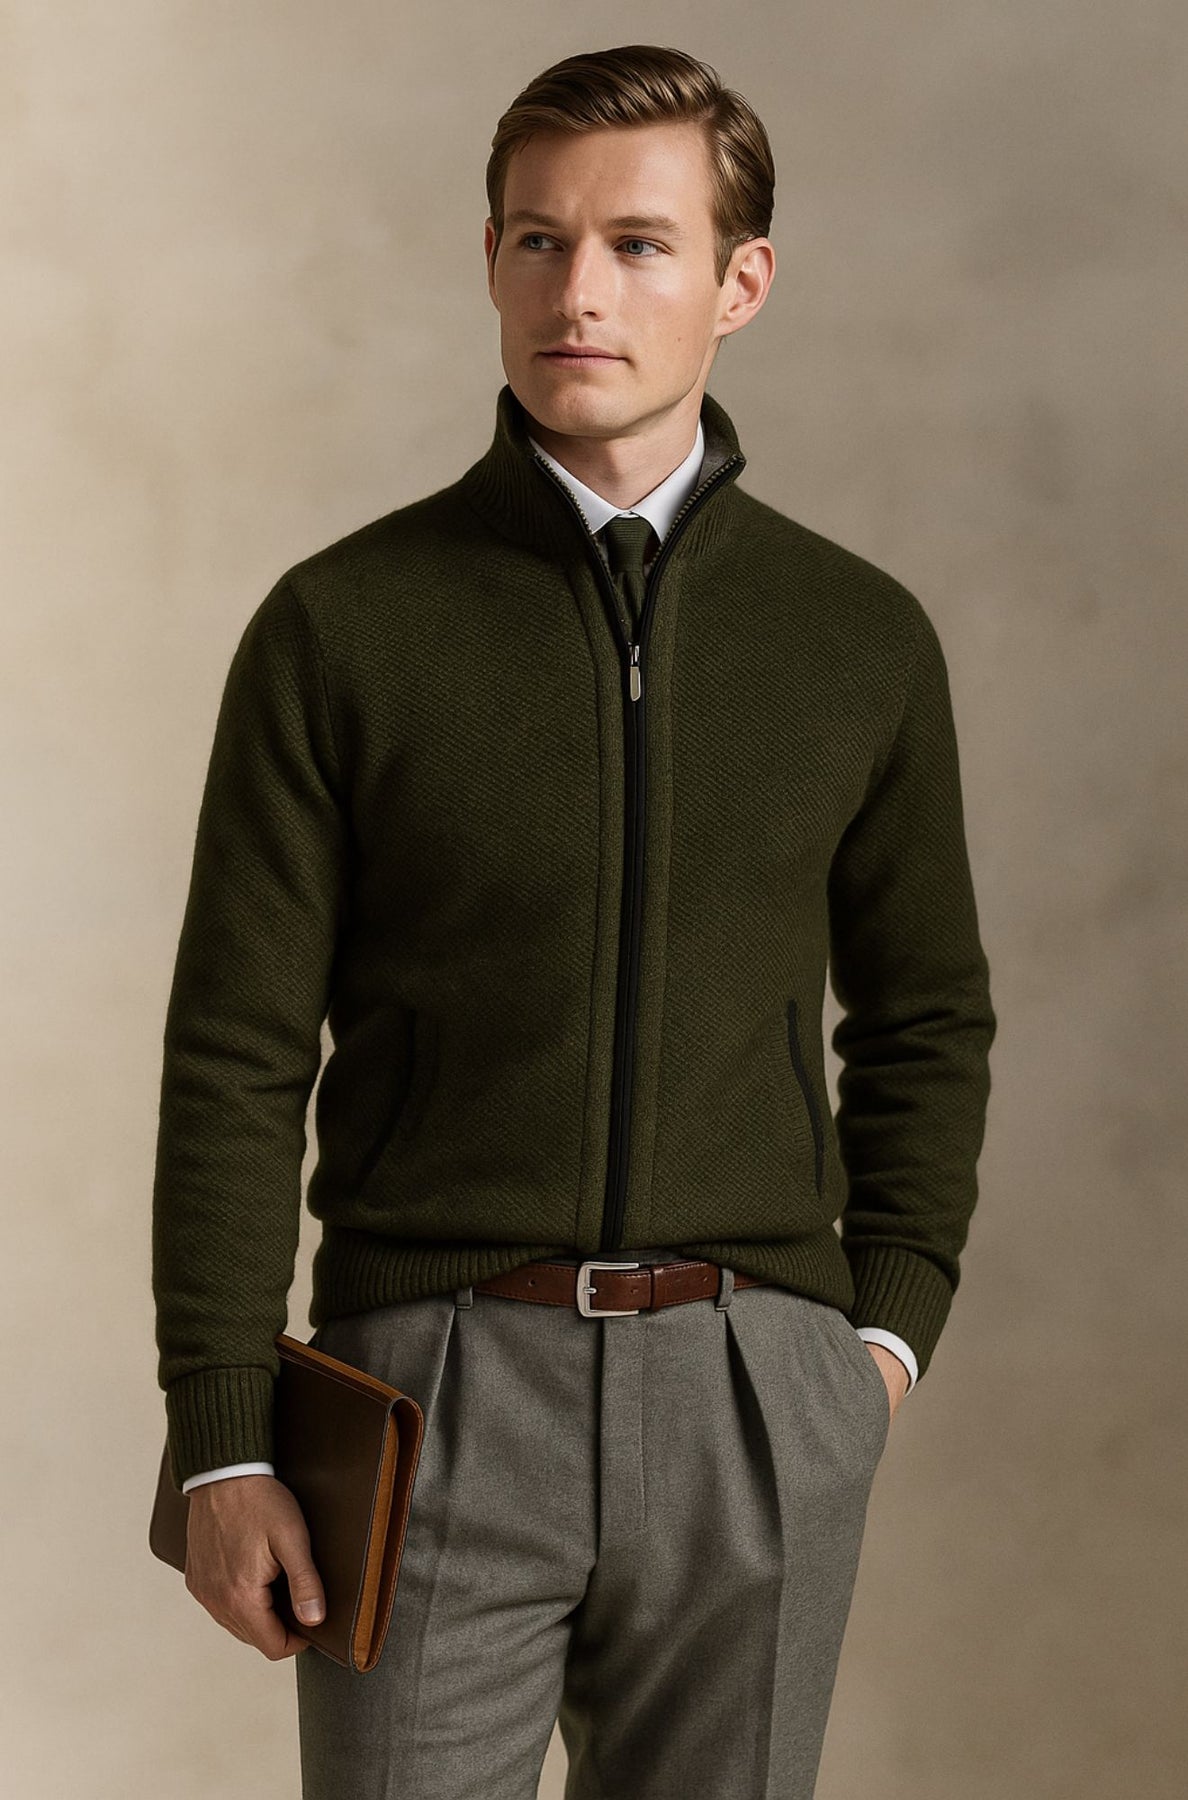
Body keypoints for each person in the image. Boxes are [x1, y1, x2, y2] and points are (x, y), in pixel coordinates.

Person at [151, 42, 996, 1800]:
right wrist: (223, 1433)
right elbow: (235, 1052)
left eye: (637, 243)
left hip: (758, 1391)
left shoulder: (858, 640)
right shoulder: (340, 627)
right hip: (430, 1388)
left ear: (740, 281)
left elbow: (927, 1018)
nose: (578, 291)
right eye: (537, 240)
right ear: (490, 261)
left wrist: (878, 1345)